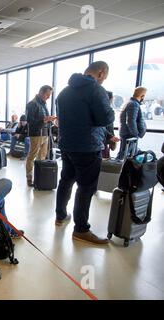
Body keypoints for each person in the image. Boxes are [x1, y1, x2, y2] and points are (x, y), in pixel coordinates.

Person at [55, 61, 114, 245]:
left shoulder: (64, 92)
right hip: (88, 147)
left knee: (66, 180)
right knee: (86, 187)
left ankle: (60, 215)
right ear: (102, 73)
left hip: (67, 145)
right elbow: (105, 118)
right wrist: (110, 109)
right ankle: (81, 229)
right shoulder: (96, 90)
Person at [25, 85, 55, 187]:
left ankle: (39, 178)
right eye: (47, 94)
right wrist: (44, 120)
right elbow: (30, 121)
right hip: (36, 134)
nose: (48, 97)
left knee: (42, 157)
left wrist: (50, 119)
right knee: (32, 156)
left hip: (45, 133)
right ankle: (29, 178)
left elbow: (44, 119)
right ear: (41, 92)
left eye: (49, 95)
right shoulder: (32, 104)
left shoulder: (43, 104)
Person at [116, 87, 147, 160]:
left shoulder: (131, 103)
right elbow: (130, 121)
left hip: (127, 134)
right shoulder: (134, 104)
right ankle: (120, 170)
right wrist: (135, 134)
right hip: (129, 135)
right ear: (142, 96)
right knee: (124, 156)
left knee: (124, 155)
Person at [102, 91, 120, 158]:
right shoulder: (106, 110)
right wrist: (111, 136)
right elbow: (107, 126)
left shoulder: (105, 109)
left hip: (104, 138)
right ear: (111, 99)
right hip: (104, 139)